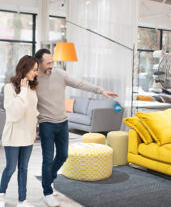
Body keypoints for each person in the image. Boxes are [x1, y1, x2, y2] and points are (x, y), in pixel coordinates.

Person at [34, 49, 118, 207]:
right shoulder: (34, 81)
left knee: (63, 155)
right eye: (49, 63)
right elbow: (30, 104)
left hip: (63, 122)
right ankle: (47, 192)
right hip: (46, 124)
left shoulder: (59, 74)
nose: (52, 65)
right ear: (39, 63)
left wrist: (101, 90)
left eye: (53, 61)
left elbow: (80, 83)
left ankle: (48, 179)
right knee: (47, 159)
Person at [0, 55, 39, 207]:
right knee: (11, 168)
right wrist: (23, 92)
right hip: (13, 134)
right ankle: (1, 194)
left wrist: (34, 130)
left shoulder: (32, 89)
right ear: (25, 69)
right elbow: (15, 114)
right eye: (34, 70)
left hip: (27, 134)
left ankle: (22, 200)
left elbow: (33, 112)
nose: (36, 73)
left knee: (24, 168)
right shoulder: (9, 88)